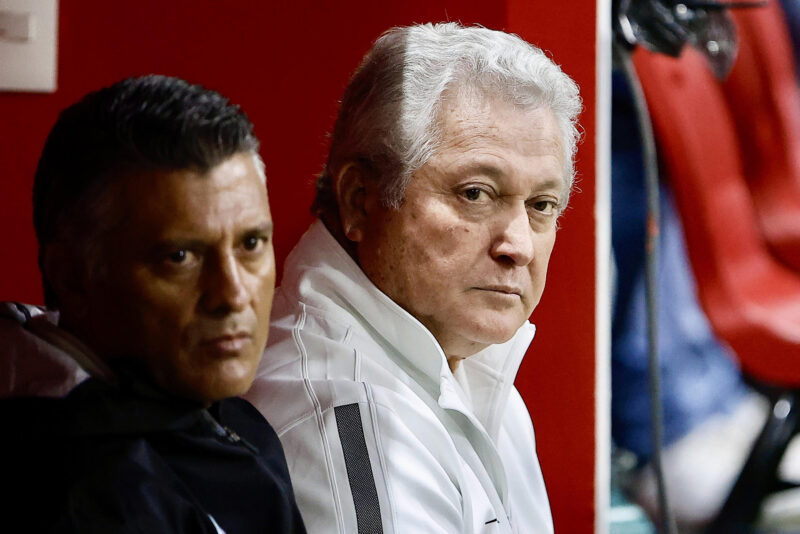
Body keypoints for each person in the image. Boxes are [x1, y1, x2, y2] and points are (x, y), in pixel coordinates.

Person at [245, 22, 582, 533]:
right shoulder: (350, 423)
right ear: (362, 200)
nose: (518, 245)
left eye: (541, 205)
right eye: (475, 194)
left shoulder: (466, 358)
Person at [0, 75, 306, 533]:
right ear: (73, 278)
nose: (234, 294)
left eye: (251, 243)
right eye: (180, 257)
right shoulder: (85, 498)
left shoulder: (222, 412)